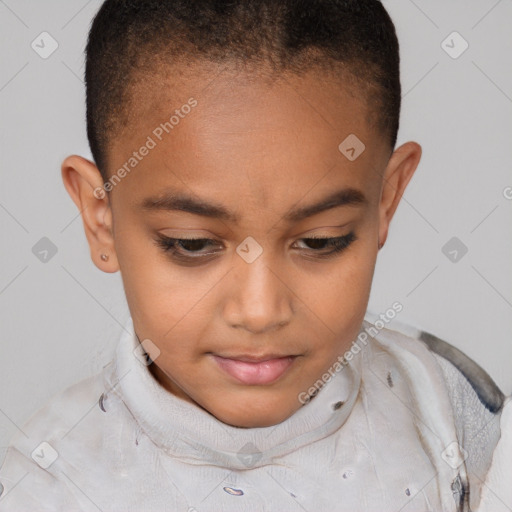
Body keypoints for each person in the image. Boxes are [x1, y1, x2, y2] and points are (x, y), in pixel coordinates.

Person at [0, 1, 508, 510]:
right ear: (100, 218)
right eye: (192, 244)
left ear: (385, 199)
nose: (260, 311)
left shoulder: (451, 412)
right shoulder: (48, 486)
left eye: (320, 240)